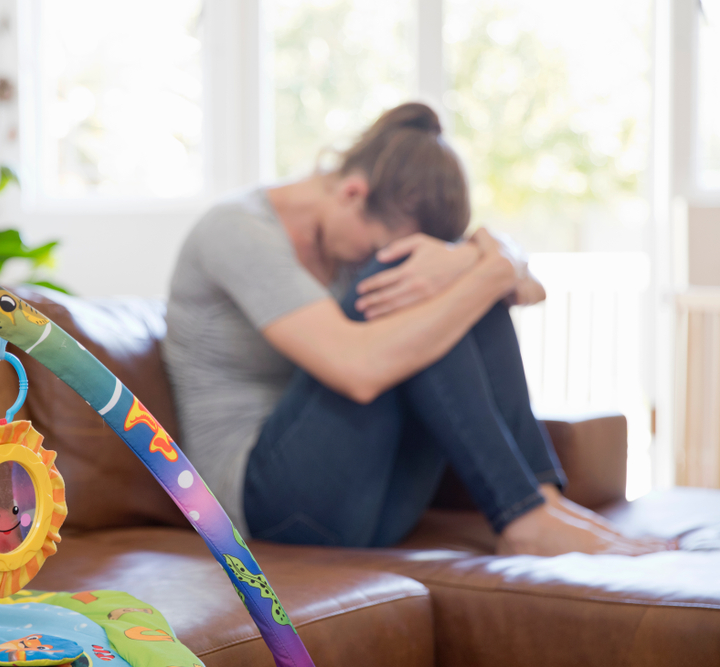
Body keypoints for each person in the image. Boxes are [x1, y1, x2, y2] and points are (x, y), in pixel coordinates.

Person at [163, 102, 669, 556]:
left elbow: (529, 288)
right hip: (265, 508)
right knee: (416, 286)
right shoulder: (236, 230)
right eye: (376, 246)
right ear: (353, 192)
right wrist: (485, 267)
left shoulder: (357, 226)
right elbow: (357, 369)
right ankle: (524, 518)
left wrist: (473, 260)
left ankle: (542, 503)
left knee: (460, 290)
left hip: (370, 504)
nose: (370, 258)